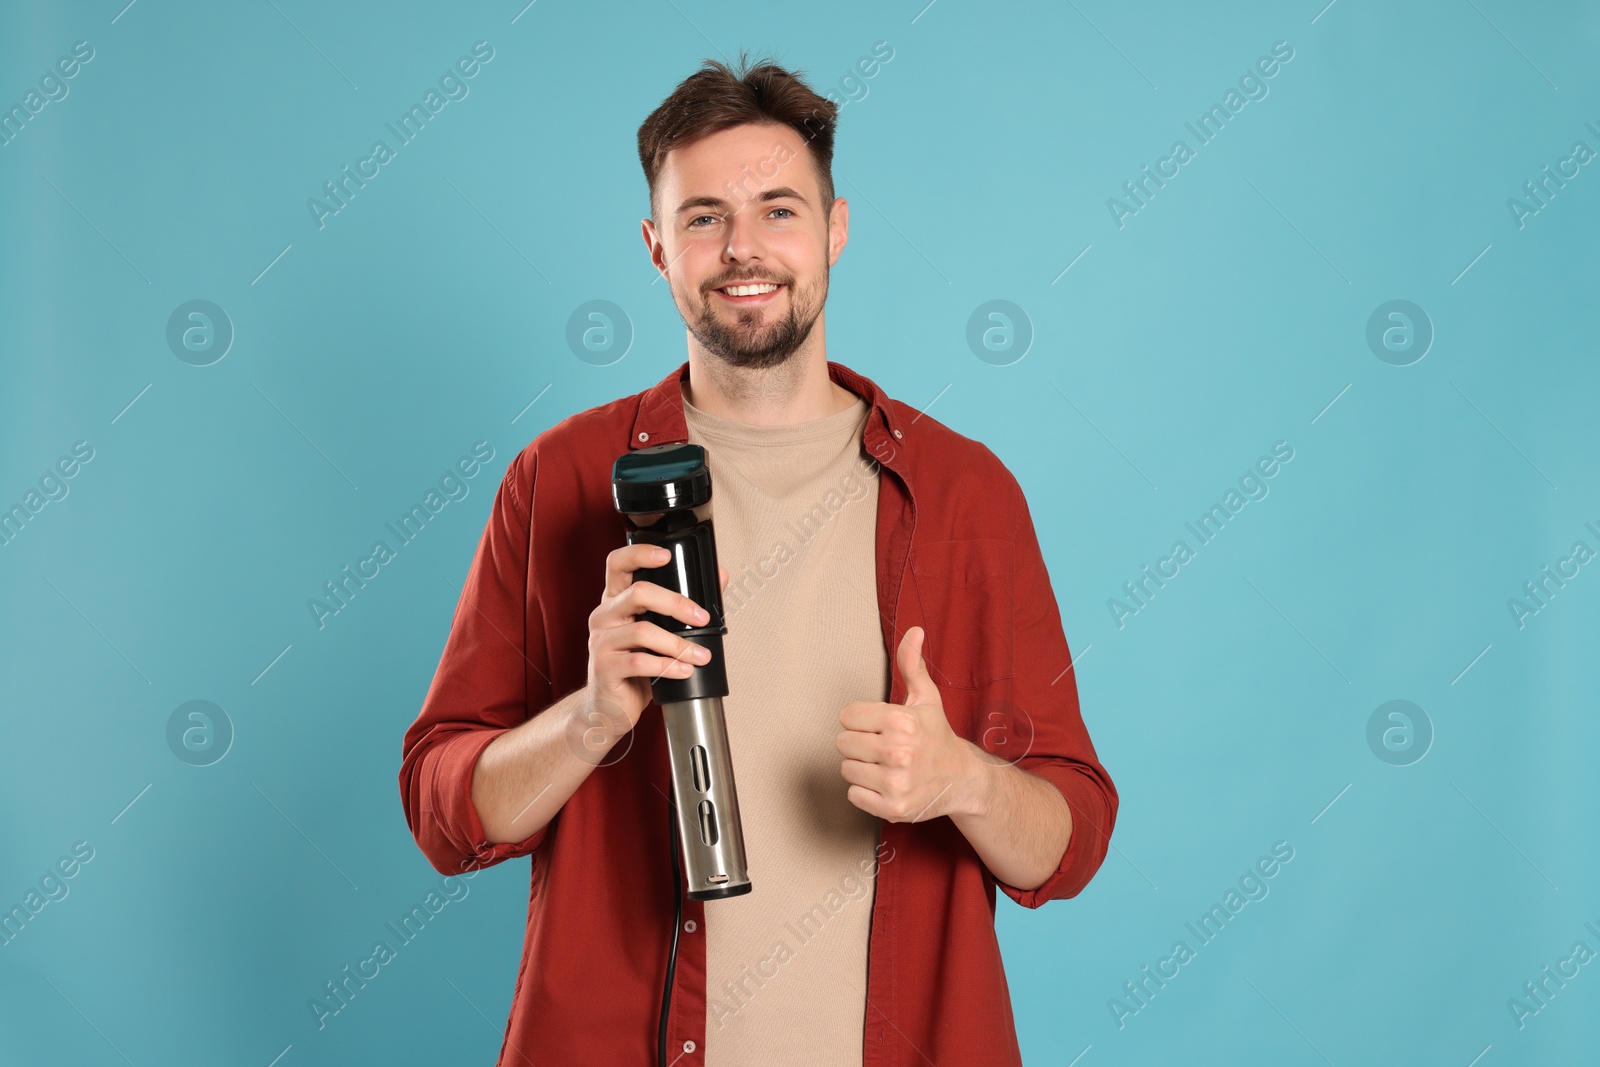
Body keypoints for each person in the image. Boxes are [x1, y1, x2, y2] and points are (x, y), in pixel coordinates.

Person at [399, 53, 1117, 1067]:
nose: (743, 248)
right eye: (702, 217)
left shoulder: (963, 493)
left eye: (778, 210)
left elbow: (1070, 836)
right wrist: (590, 717)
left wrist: (963, 779)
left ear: (834, 230)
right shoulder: (557, 480)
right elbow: (442, 810)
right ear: (655, 247)